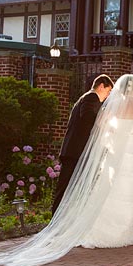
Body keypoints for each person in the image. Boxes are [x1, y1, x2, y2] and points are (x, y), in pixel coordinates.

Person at [0, 74, 133, 266]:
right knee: (121, 191)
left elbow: (100, 126)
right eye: (108, 90)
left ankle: (92, 230)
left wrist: (110, 134)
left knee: (104, 191)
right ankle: (70, 229)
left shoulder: (109, 107)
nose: (109, 93)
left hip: (109, 152)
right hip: (124, 153)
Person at [50, 74, 114, 213]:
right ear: (101, 86)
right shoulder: (91, 97)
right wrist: (104, 122)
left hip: (75, 150)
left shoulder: (87, 98)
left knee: (71, 187)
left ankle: (64, 217)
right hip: (75, 151)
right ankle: (56, 218)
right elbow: (87, 118)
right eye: (108, 91)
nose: (108, 95)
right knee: (65, 187)